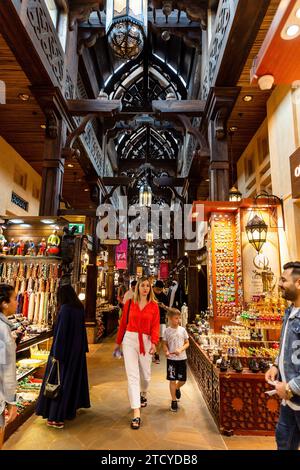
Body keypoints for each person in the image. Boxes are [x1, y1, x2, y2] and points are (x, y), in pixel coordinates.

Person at [36, 284, 90, 429]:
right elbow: (82, 332)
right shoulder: (79, 308)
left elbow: (61, 333)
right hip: (76, 352)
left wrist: (57, 354)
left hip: (64, 353)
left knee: (58, 384)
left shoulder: (65, 309)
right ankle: (67, 411)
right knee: (70, 382)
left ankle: (56, 417)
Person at [114, 277, 159, 430]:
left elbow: (155, 326)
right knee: (132, 376)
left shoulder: (154, 306)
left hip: (146, 340)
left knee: (145, 376)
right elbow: (123, 324)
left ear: (150, 288)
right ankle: (136, 412)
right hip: (130, 339)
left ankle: (143, 392)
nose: (145, 288)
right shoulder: (129, 303)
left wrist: (154, 342)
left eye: (148, 286)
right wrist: (118, 343)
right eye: (143, 286)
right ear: (138, 287)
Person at [265, 262, 300, 450]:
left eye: (283, 280)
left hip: (294, 393)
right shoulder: (289, 312)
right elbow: (287, 345)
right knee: (284, 443)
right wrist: (276, 365)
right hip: (289, 401)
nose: (279, 284)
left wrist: (291, 387)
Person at [0, 284, 18, 449]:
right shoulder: (4, 331)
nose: (17, 302)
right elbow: (6, 370)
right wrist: (12, 403)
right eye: (14, 299)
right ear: (4, 303)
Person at [163, 308, 189, 412]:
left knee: (182, 380)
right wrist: (166, 352)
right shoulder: (167, 331)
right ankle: (173, 400)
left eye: (179, 318)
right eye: (176, 318)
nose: (178, 320)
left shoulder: (182, 330)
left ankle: (177, 387)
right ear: (169, 318)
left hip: (182, 358)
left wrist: (181, 349)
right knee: (172, 379)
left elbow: (187, 343)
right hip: (171, 360)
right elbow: (164, 343)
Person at [153, 280, 168, 364]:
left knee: (160, 338)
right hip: (151, 319)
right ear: (154, 287)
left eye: (160, 289)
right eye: (157, 289)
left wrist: (163, 306)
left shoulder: (164, 296)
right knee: (151, 338)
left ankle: (156, 354)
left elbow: (168, 308)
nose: (158, 291)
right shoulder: (149, 294)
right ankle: (152, 352)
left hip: (161, 319)